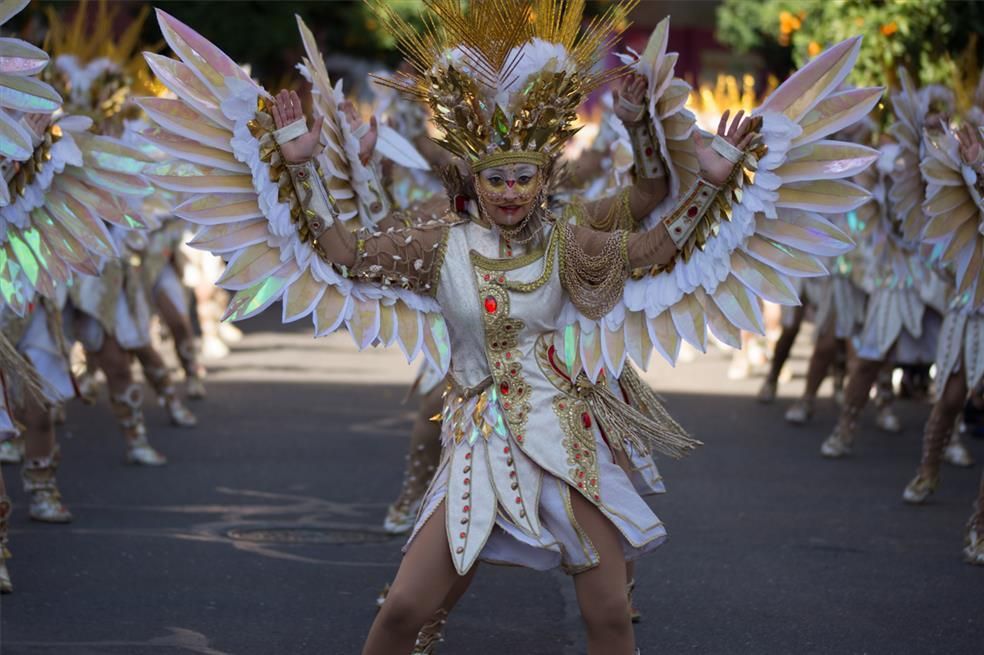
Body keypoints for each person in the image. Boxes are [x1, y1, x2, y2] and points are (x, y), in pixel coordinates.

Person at [144, 5, 875, 651]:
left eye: (523, 176)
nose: (509, 192)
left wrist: (706, 183)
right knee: (403, 608)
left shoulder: (572, 240)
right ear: (473, 180)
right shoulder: (439, 242)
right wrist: (299, 170)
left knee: (611, 617)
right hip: (478, 447)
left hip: (566, 442)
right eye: (495, 178)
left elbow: (655, 248)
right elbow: (345, 254)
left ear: (545, 177)